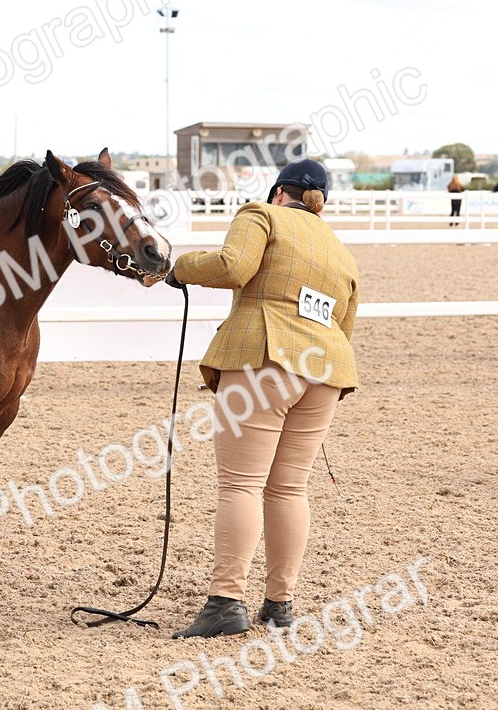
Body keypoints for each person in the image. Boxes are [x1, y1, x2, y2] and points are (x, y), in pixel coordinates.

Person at [165, 159, 359, 638]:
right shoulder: (340, 250)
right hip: (327, 371)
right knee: (290, 488)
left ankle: (227, 601)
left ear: (279, 192)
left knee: (240, 484)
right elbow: (346, 323)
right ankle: (280, 604)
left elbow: (234, 266)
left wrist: (181, 269)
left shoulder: (262, 215)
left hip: (264, 359)